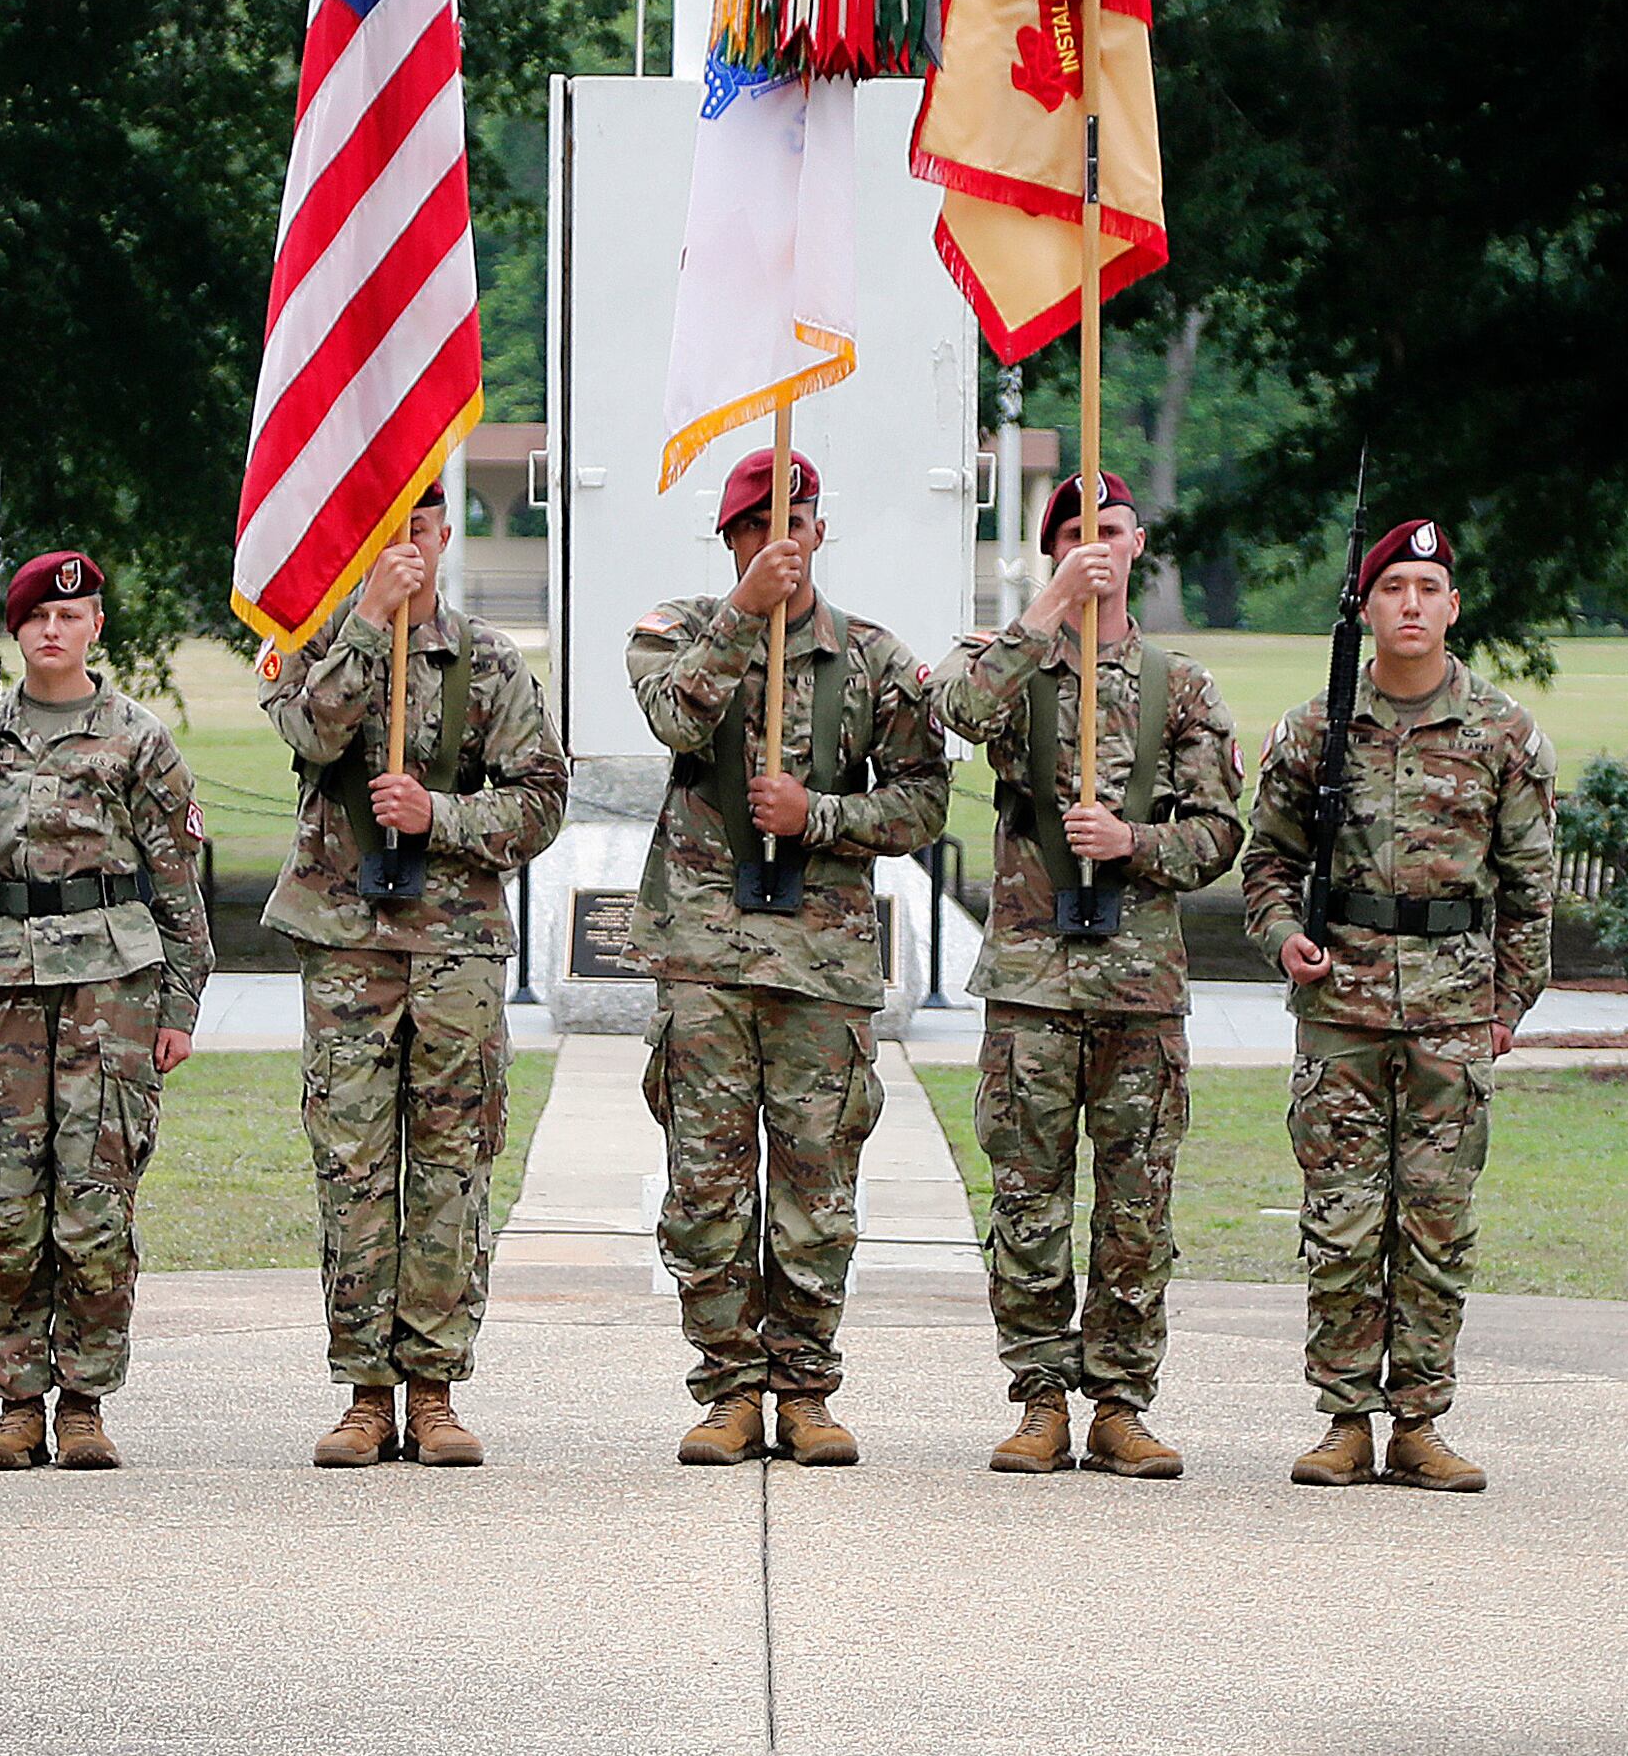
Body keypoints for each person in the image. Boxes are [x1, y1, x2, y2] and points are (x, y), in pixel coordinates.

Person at [624, 447, 951, 1467]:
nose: (783, 541)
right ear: (730, 541)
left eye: (799, 522)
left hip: (820, 962)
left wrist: (820, 816)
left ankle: (805, 1387)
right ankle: (726, 1387)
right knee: (705, 1189)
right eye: (760, 526)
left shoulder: (873, 660)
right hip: (706, 957)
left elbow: (924, 801)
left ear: (822, 531)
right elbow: (674, 715)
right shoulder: (674, 632)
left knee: (818, 1191)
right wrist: (740, 615)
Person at [934, 470, 1242, 1476]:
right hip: (1030, 976)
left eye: (1107, 530)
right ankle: (1036, 1398)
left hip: (1137, 984)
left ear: (1138, 541)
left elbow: (1215, 835)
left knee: (1134, 1203)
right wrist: (1052, 604)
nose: (1093, 546)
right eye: (1072, 533)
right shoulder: (1006, 656)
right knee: (1027, 1198)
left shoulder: (1179, 686)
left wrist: (1130, 841)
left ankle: (1118, 1400)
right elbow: (960, 714)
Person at [1239, 517, 1555, 1492]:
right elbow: (1266, 863)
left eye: (1427, 588)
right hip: (1339, 1007)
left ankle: (1420, 1419)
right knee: (1339, 1219)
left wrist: (1508, 1005)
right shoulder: (1312, 728)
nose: (1410, 605)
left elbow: (1530, 884)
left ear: (1452, 607)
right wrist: (1278, 934)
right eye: (1392, 590)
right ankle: (1343, 1418)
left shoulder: (1501, 731)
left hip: (1454, 1012)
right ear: (1366, 608)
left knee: (1436, 1221)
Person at [261, 488, 569, 1468]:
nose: (407, 548)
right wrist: (364, 625)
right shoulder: (306, 642)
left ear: (445, 537)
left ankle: (433, 1389)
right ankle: (363, 1392)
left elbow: (540, 799)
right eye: (386, 531)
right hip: (345, 941)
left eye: (423, 530)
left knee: (449, 1168)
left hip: (454, 948)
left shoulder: (485, 663)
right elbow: (311, 734)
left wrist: (441, 817)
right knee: (352, 1168)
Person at [0, 548, 210, 1471]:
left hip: (111, 993)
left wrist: (180, 1002)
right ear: (15, 633)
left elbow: (177, 885)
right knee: (7, 1205)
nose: (52, 630)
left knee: (94, 1204)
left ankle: (85, 1400)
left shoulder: (138, 738)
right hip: (1, 987)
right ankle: (16, 1402)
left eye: (71, 615)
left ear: (95, 627)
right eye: (36, 618)